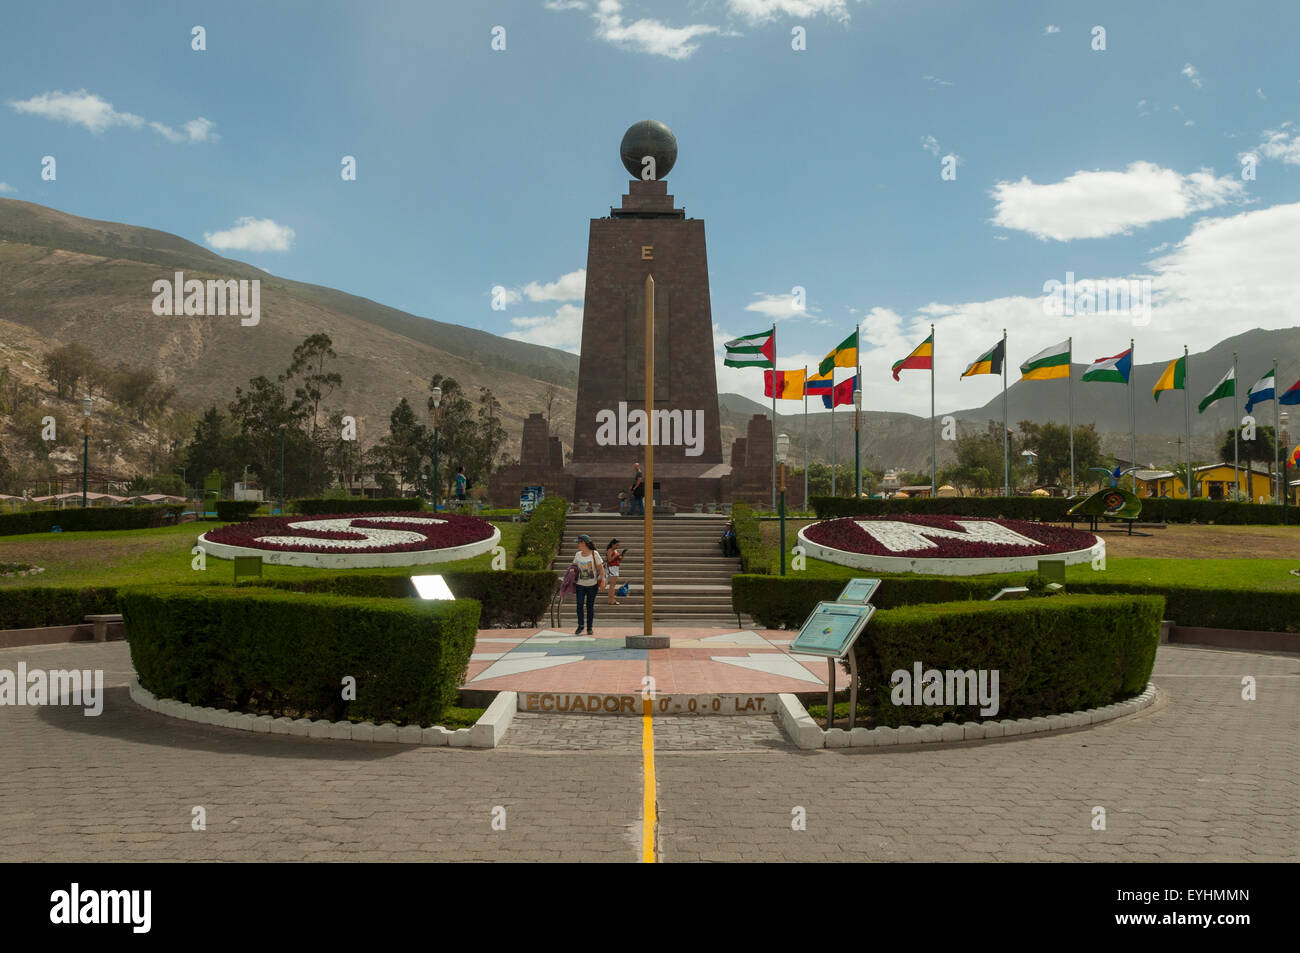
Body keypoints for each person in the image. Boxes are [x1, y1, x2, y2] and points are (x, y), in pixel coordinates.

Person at [570, 534, 605, 635]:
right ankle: (580, 626)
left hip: (592, 585)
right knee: (579, 605)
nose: (577, 545)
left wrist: (602, 580)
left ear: (584, 543)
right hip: (580, 585)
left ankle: (589, 627)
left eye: (578, 543)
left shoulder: (595, 554)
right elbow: (573, 567)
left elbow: (601, 568)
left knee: (590, 606)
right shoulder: (577, 555)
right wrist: (571, 573)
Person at [604, 539, 627, 605]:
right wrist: (616, 555)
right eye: (616, 545)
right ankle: (611, 600)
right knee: (612, 585)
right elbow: (609, 559)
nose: (617, 546)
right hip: (612, 568)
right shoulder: (610, 550)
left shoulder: (615, 550)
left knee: (613, 585)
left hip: (615, 567)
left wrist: (622, 556)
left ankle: (611, 599)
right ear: (613, 544)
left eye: (618, 545)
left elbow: (618, 559)